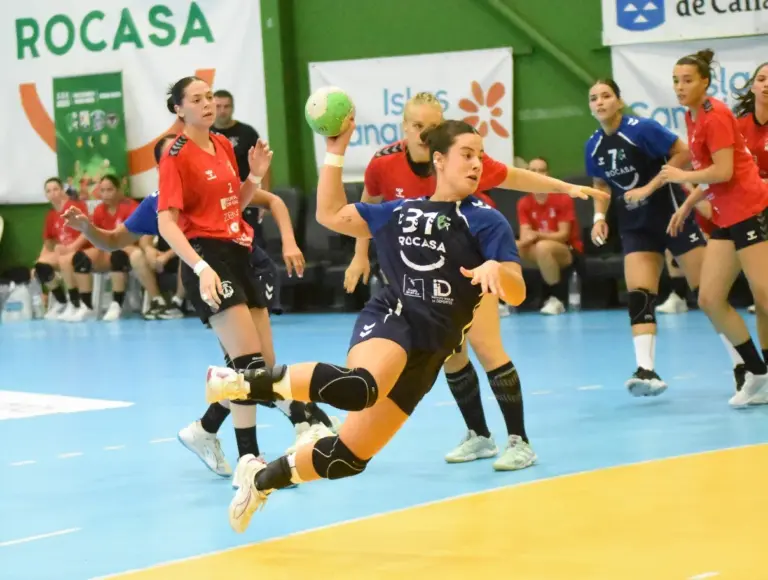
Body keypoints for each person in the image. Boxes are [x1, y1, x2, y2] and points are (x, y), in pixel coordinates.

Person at [205, 119, 528, 533]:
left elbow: (517, 293)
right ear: (440, 160)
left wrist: (498, 269)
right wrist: (335, 152)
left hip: (432, 350)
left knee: (346, 458)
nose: (476, 164)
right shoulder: (402, 211)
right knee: (361, 386)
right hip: (395, 317)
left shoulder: (487, 221)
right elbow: (329, 214)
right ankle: (239, 382)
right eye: (467, 154)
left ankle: (260, 481)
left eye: (480, 156)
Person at [343, 92, 608, 471]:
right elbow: (366, 207)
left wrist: (565, 188)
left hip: (471, 263)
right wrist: (358, 257)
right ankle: (479, 435)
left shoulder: (457, 159)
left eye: (432, 127)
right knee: (450, 353)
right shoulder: (383, 163)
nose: (424, 133)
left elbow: (514, 177)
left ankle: (520, 441)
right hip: (424, 275)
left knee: (485, 345)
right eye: (417, 126)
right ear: (403, 128)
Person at [586, 78, 712, 396]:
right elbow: (600, 185)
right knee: (640, 296)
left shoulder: (641, 129)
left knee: (711, 296)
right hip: (635, 227)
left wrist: (648, 187)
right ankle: (646, 370)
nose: (599, 102)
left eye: (605, 96)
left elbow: (681, 153)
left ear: (619, 100)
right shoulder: (594, 145)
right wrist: (599, 218)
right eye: (593, 98)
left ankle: (748, 366)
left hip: (672, 218)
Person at [665, 49, 768, 407]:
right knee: (709, 298)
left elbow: (724, 172)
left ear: (705, 82)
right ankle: (759, 372)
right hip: (726, 214)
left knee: (765, 294)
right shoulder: (692, 117)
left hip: (752, 209)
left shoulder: (717, 115)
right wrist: (689, 204)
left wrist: (682, 177)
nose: (680, 87)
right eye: (676, 80)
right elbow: (712, 175)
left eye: (688, 80)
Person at [516, 157, 584, 315]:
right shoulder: (524, 203)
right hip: (537, 248)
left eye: (541, 170)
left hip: (567, 250)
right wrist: (522, 241)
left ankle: (556, 298)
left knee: (543, 247)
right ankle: (503, 300)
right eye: (533, 170)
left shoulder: (562, 199)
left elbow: (563, 235)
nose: (537, 174)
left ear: (548, 174)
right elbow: (526, 235)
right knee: (507, 247)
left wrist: (536, 235)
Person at [734, 62, 768, 320]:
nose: (766, 84)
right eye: (762, 78)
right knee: (761, 295)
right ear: (753, 86)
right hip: (750, 211)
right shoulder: (739, 127)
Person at [33, 178, 88, 320]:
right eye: (48, 191)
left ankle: (75, 303)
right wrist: (41, 257)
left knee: (65, 260)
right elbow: (48, 241)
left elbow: (87, 231)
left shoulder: (75, 207)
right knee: (41, 266)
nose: (53, 193)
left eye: (56, 189)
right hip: (63, 252)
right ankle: (61, 301)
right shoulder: (51, 215)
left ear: (63, 191)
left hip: (81, 249)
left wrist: (71, 247)